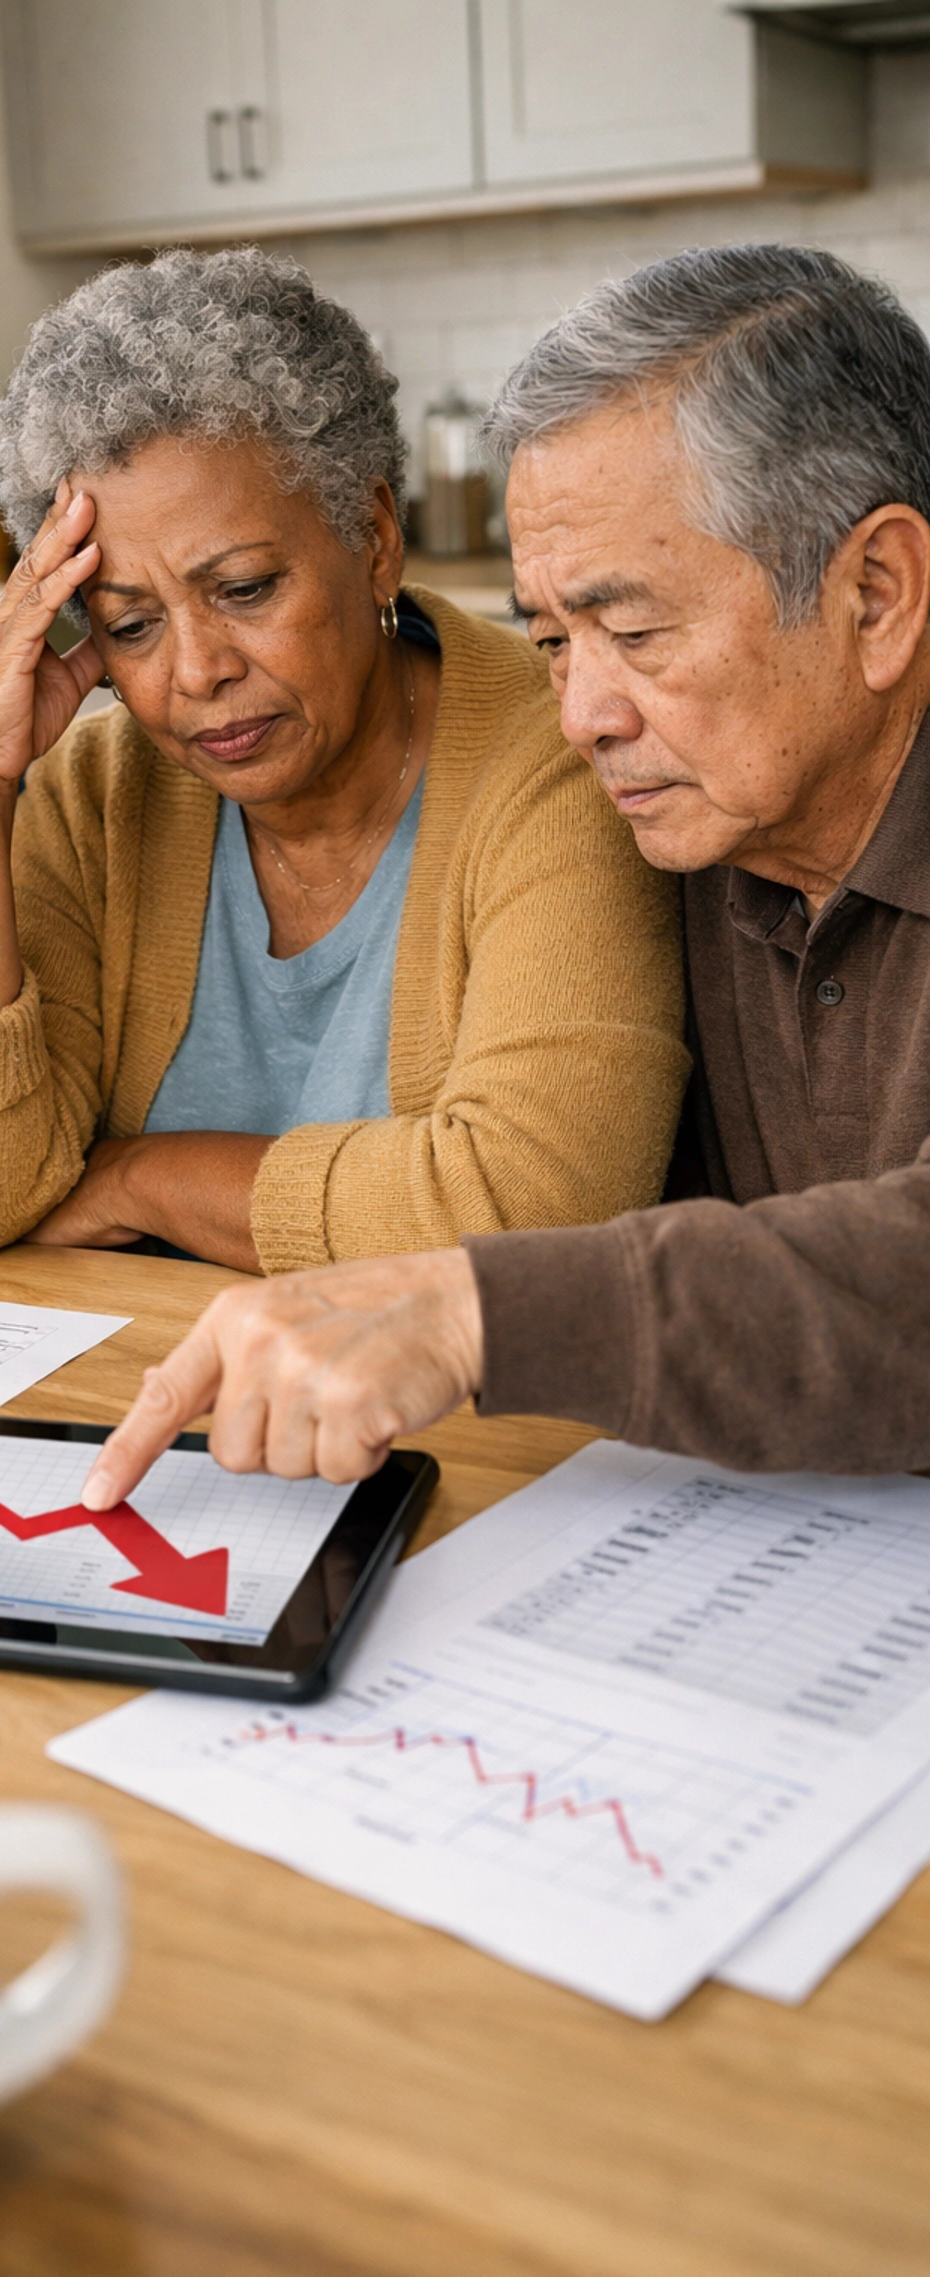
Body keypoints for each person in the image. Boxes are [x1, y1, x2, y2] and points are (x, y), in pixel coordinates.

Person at [77, 242, 930, 1512]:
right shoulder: (696, 823)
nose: (582, 716)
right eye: (551, 640)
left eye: (634, 631)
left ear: (877, 593)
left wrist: (473, 1307)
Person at [0, 249, 686, 1272]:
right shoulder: (92, 797)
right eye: (132, 625)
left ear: (374, 537)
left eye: (244, 589)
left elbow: (531, 1211)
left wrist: (138, 1180)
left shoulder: (559, 762)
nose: (198, 671)